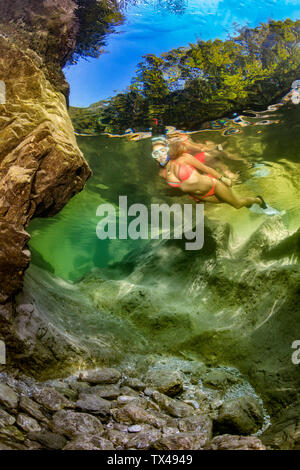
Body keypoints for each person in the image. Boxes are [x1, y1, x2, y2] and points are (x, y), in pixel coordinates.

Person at [152, 139, 267, 209]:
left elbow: (206, 169)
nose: (160, 155)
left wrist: (222, 178)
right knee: (232, 202)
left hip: (214, 186)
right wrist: (196, 199)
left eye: (162, 151)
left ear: (168, 150)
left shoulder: (183, 158)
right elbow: (183, 187)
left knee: (237, 205)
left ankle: (258, 200)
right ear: (154, 156)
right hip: (203, 196)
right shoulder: (161, 174)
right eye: (156, 153)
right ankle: (246, 202)